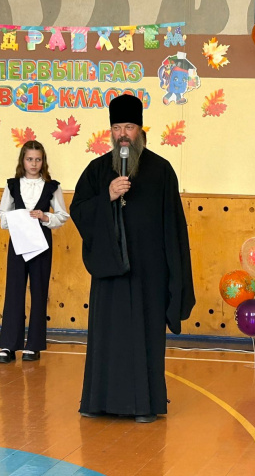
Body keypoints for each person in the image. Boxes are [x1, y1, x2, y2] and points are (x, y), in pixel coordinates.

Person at [70, 94, 195, 423]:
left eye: (128, 127)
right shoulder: (97, 170)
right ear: (110, 132)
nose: (122, 134)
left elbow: (174, 227)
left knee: (145, 337)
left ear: (140, 130)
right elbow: (79, 211)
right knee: (108, 337)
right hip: (110, 272)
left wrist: (175, 278)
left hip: (149, 273)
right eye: (116, 128)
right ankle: (98, 402)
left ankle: (144, 405)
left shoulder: (161, 170)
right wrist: (107, 197)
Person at [0, 140, 70, 363]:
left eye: (38, 159)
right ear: (23, 161)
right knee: (14, 291)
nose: (34, 164)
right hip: (18, 243)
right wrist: (16, 218)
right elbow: (2, 215)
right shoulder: (12, 185)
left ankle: (34, 345)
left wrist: (45, 217)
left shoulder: (52, 186)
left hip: (41, 244)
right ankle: (8, 345)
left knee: (39, 291)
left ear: (43, 161)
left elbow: (62, 216)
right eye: (30, 159)